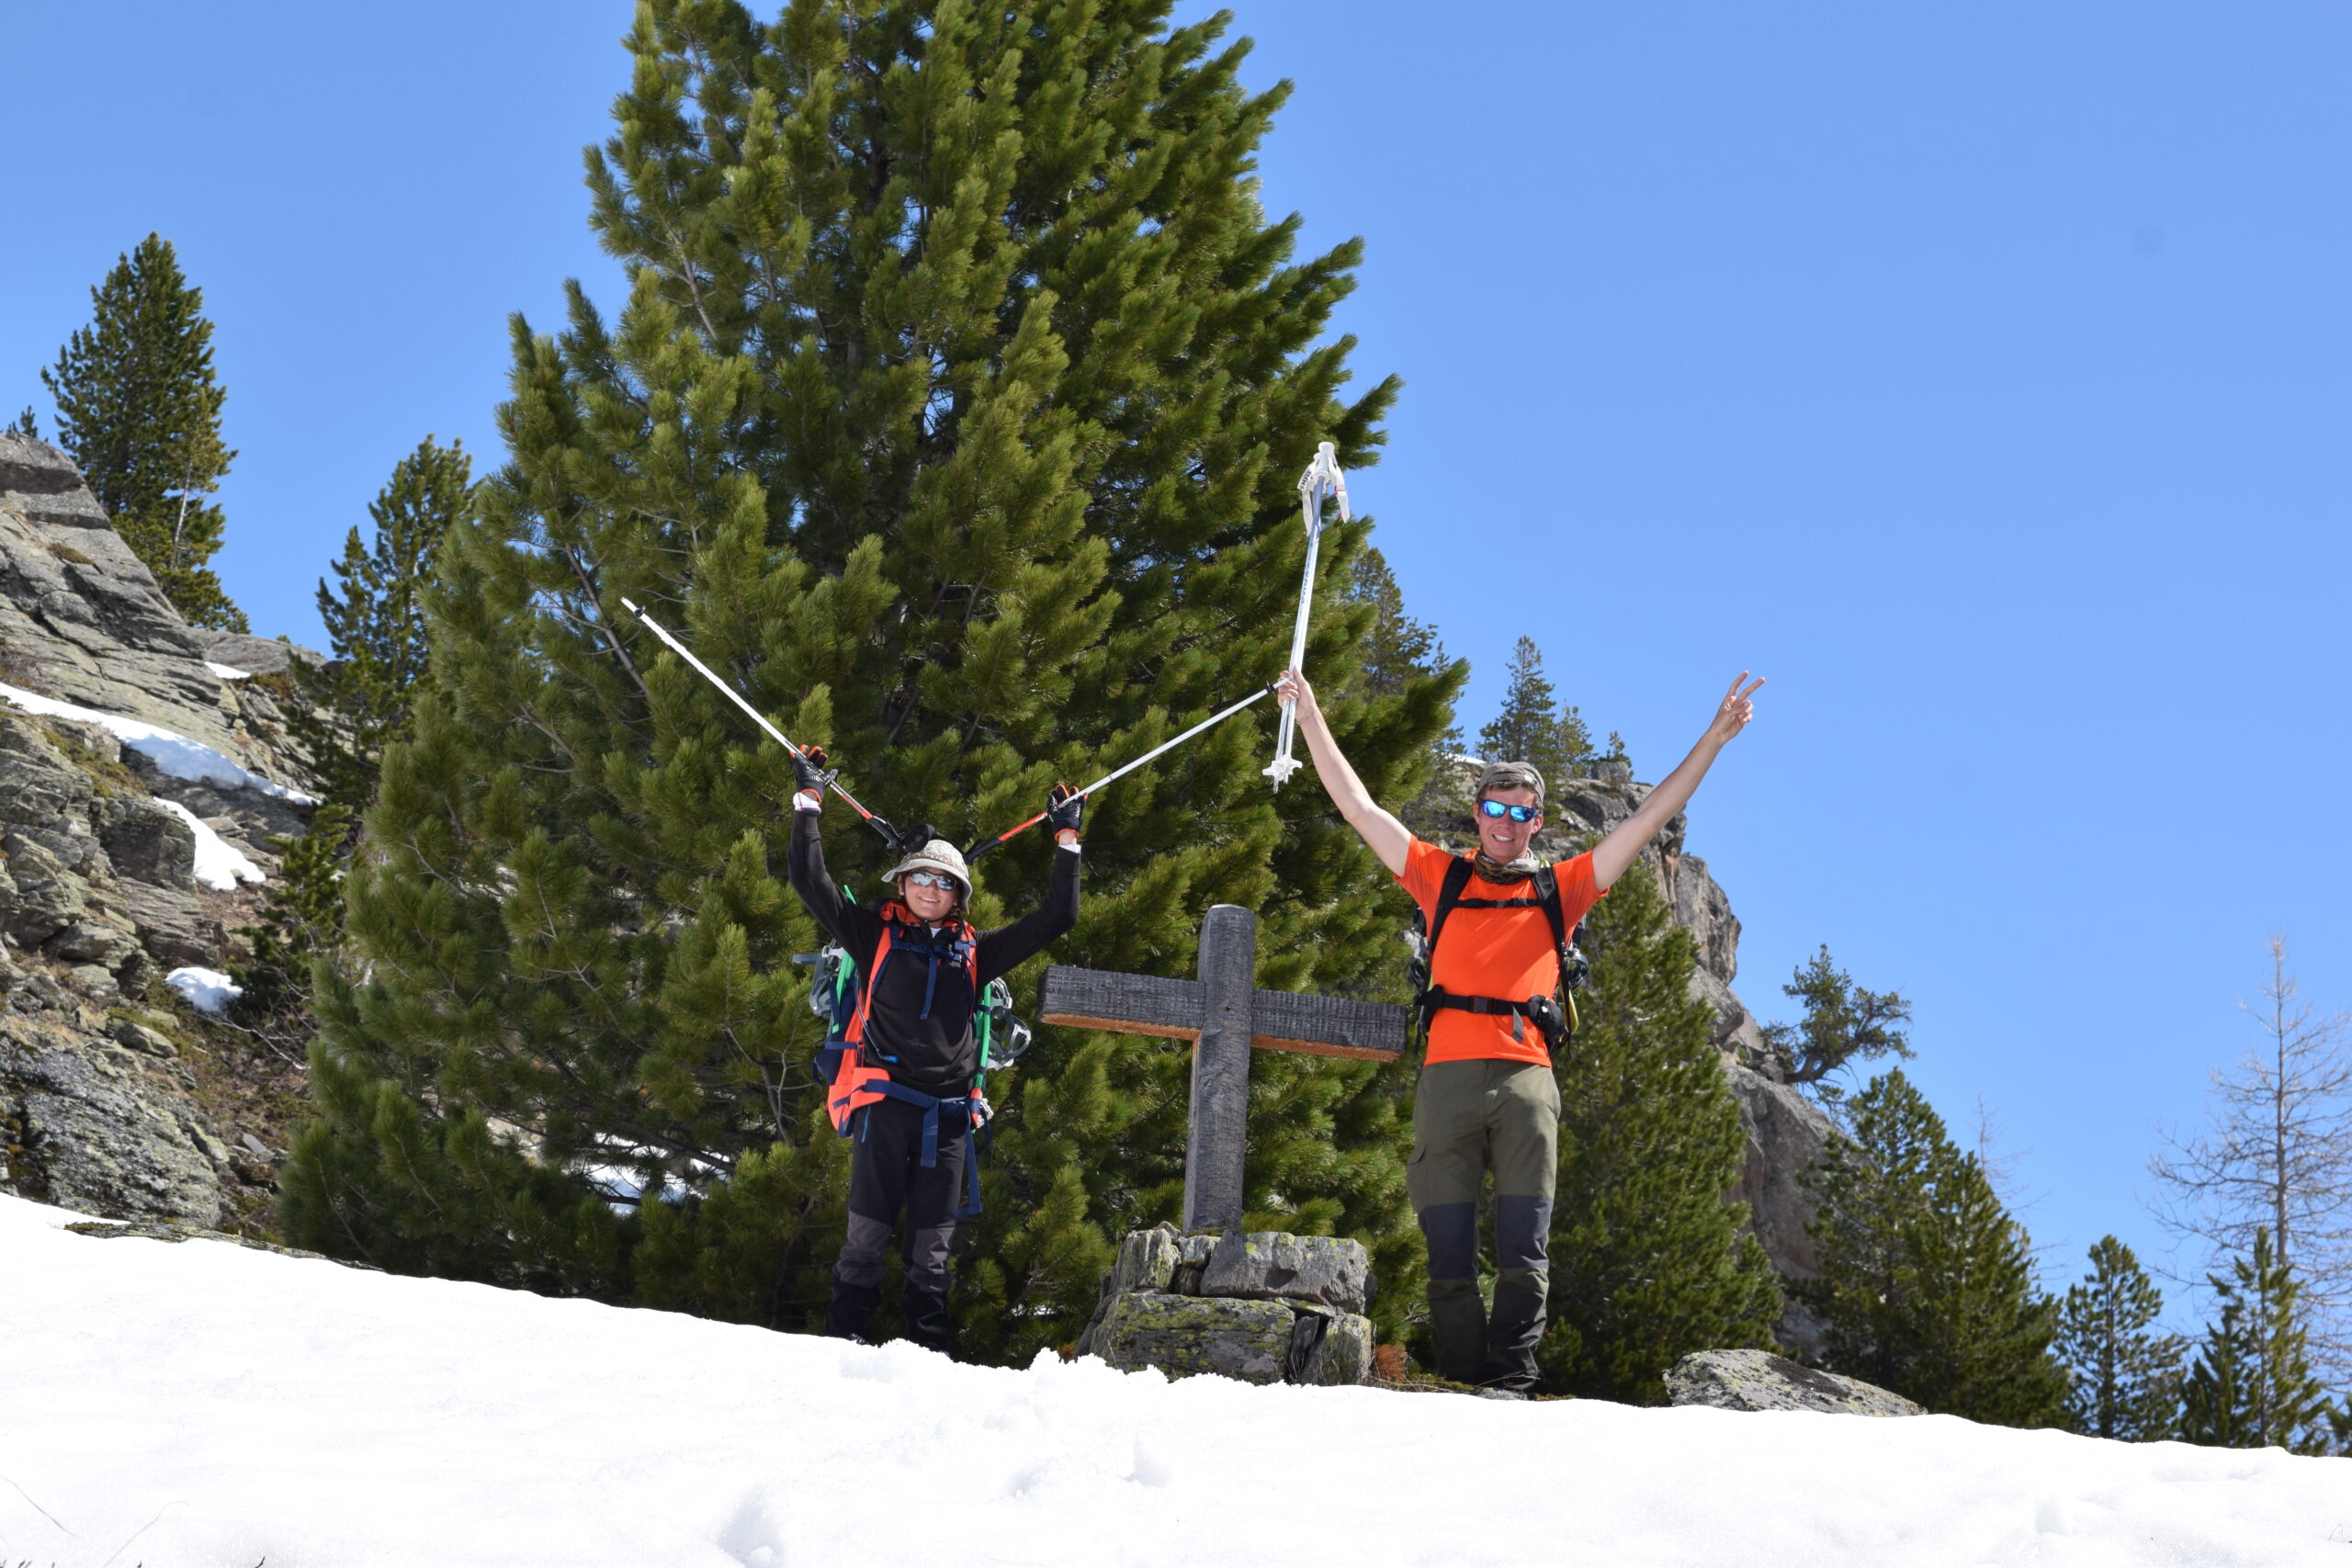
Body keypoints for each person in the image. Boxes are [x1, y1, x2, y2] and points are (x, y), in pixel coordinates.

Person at [1272, 667, 1764, 1393]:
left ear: (1537, 822)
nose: (1506, 821)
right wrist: (1310, 715)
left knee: (1522, 1248)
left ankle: (1512, 1380)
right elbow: (1357, 804)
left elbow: (1647, 818)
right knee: (1445, 1251)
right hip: (1446, 1079)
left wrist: (1714, 739)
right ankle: (1467, 1380)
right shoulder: (1436, 876)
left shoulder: (1560, 889)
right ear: (1477, 812)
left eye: (1522, 812)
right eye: (1496, 807)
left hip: (1527, 1081)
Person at [786, 745, 1083, 1353]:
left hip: (947, 1122)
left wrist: (1068, 837)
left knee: (932, 1262)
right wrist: (808, 801)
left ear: (958, 895)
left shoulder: (976, 953)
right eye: (920, 875)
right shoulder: (872, 935)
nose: (929, 886)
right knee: (864, 1246)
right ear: (902, 883)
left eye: (943, 880)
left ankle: (924, 1380)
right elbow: (809, 880)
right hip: (882, 1108)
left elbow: (1058, 915)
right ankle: (839, 1361)